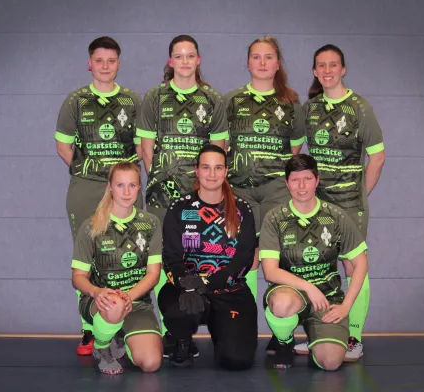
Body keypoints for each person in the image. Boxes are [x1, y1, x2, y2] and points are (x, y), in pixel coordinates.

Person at [136, 34, 229, 355]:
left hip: (200, 199)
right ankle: (171, 331)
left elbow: (218, 149)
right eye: (179, 56)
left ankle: (193, 327)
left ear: (198, 60)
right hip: (162, 198)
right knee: (165, 259)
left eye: (190, 55)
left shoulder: (213, 99)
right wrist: (162, 178)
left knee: (196, 257)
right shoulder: (154, 96)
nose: (185, 61)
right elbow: (146, 148)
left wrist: (203, 191)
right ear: (170, 61)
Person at [294, 44, 385, 361]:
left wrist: (359, 194)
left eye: (333, 65)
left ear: (343, 69)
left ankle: (353, 337)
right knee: (317, 267)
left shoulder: (360, 108)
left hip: (349, 203)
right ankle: (321, 333)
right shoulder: (309, 109)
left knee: (352, 265)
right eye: (321, 65)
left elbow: (377, 158)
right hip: (316, 202)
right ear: (315, 71)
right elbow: (295, 153)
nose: (327, 70)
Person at [55, 36, 142, 355]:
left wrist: (121, 182)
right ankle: (90, 328)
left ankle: (121, 326)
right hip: (86, 190)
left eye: (111, 60)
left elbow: (141, 147)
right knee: (88, 260)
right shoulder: (75, 100)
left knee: (125, 256)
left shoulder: (133, 100)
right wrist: (90, 172)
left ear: (119, 63)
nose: (105, 66)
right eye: (99, 60)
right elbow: (63, 147)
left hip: (125, 191)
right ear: (89, 64)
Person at [223, 36, 306, 326]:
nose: (262, 62)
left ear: (277, 63)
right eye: (256, 57)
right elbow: (222, 145)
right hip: (239, 190)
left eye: (268, 57)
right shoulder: (232, 100)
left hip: (276, 191)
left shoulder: (291, 101)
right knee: (244, 258)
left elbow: (294, 148)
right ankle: (241, 324)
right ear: (248, 63)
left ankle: (281, 331)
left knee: (278, 258)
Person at [260, 154, 368, 371]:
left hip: (327, 299)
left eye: (307, 179)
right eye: (295, 180)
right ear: (287, 183)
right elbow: (270, 272)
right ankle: (284, 342)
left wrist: (346, 306)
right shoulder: (275, 218)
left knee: (331, 363)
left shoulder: (336, 215)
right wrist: (309, 288)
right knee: (281, 303)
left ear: (317, 180)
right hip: (291, 293)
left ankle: (316, 336)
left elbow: (361, 263)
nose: (301, 186)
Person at [157, 145, 257, 370]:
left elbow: (243, 260)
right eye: (206, 167)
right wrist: (186, 284)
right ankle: (181, 339)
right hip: (187, 288)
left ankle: (222, 329)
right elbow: (171, 257)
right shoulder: (179, 208)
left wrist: (207, 283)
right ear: (197, 171)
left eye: (218, 168)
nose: (212, 174)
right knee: (182, 309)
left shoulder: (243, 210)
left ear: (226, 171)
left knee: (236, 361)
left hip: (229, 291)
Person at [71, 162, 163, 374]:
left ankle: (119, 336)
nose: (126, 192)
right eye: (120, 185)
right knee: (114, 304)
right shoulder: (91, 226)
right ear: (110, 187)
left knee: (151, 364)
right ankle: (101, 345)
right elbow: (78, 277)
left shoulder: (150, 223)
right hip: (100, 301)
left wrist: (129, 297)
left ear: (139, 187)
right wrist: (97, 292)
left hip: (136, 302)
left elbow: (153, 274)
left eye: (132, 185)